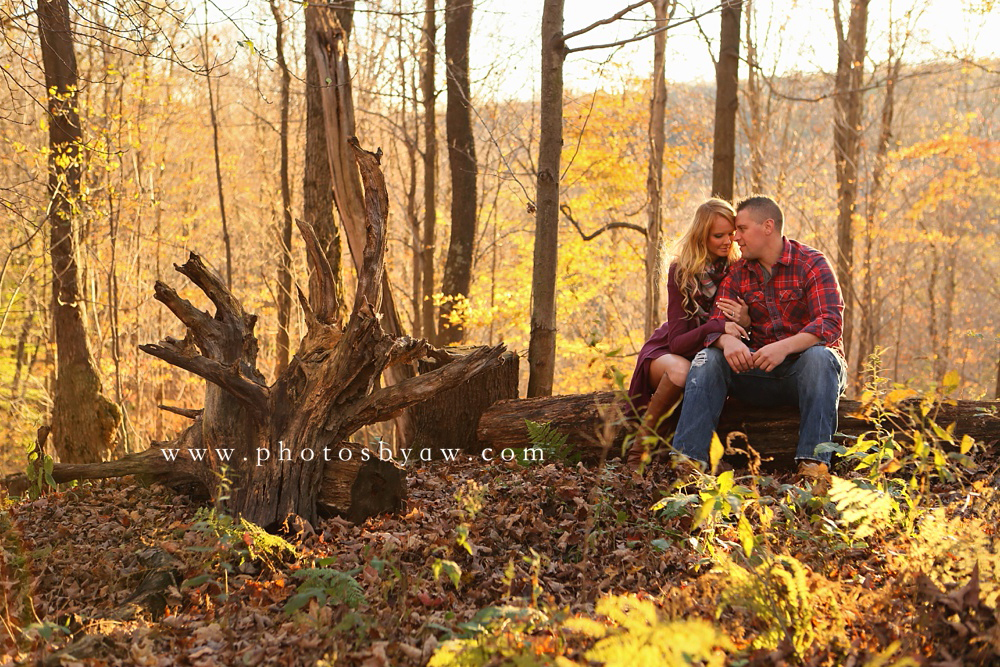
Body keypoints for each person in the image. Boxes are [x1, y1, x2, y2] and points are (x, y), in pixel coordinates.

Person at [670, 195, 847, 487]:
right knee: (707, 359)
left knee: (821, 357)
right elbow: (716, 325)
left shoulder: (811, 263)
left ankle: (813, 466)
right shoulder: (738, 274)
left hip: (806, 374)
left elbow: (830, 323)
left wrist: (784, 347)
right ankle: (688, 466)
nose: (735, 238)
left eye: (741, 229)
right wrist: (728, 342)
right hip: (758, 373)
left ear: (768, 226)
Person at [626, 198, 750, 468]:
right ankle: (638, 454)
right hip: (670, 350)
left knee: (707, 369)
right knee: (683, 371)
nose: (728, 241)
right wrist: (718, 326)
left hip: (711, 356)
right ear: (701, 236)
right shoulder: (681, 271)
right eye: (718, 235)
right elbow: (679, 342)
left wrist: (745, 320)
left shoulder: (739, 270)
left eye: (731, 234)